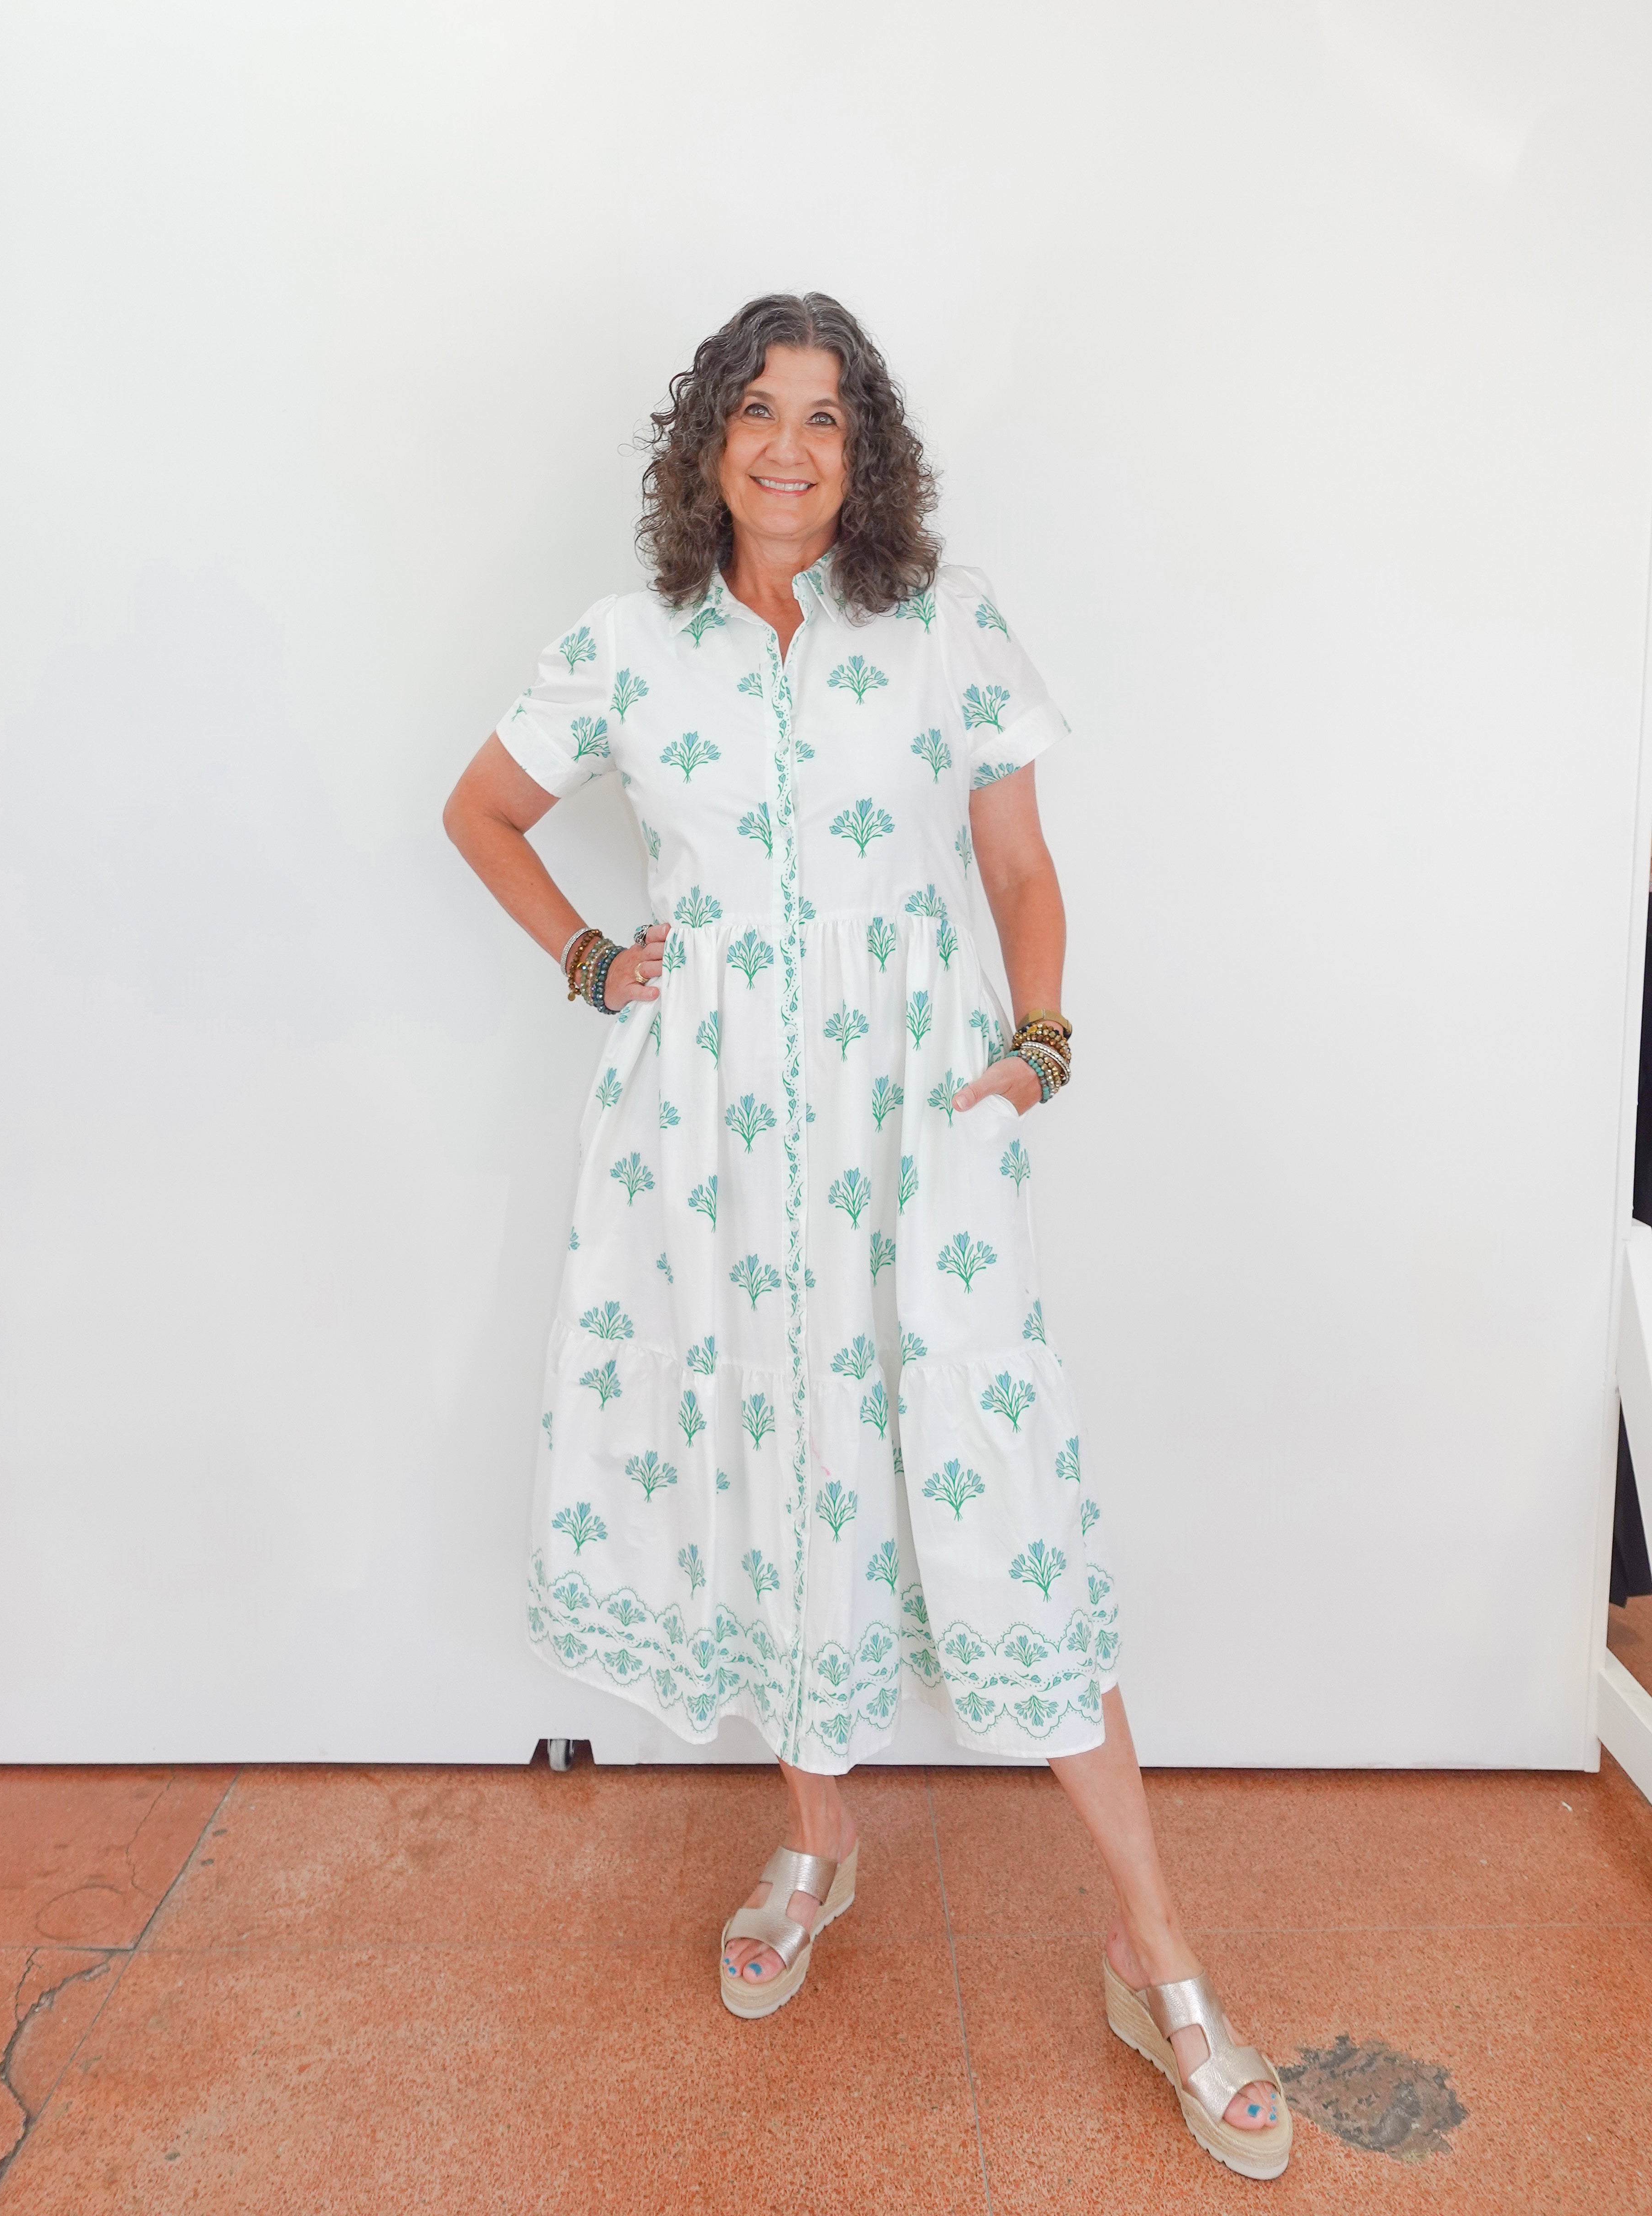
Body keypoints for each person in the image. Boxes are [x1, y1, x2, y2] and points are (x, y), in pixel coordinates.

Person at [443, 292, 1291, 2181]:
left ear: (867, 451)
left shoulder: (942, 623)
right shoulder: (624, 644)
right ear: (706, 440)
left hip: (916, 1117)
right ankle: (818, 1841)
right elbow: (485, 809)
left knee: (998, 1489)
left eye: (828, 420)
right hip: (710, 1136)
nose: (791, 450)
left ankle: (1159, 1965)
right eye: (759, 412)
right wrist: (592, 958)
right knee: (770, 1456)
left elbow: (1015, 865)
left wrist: (1037, 1050)